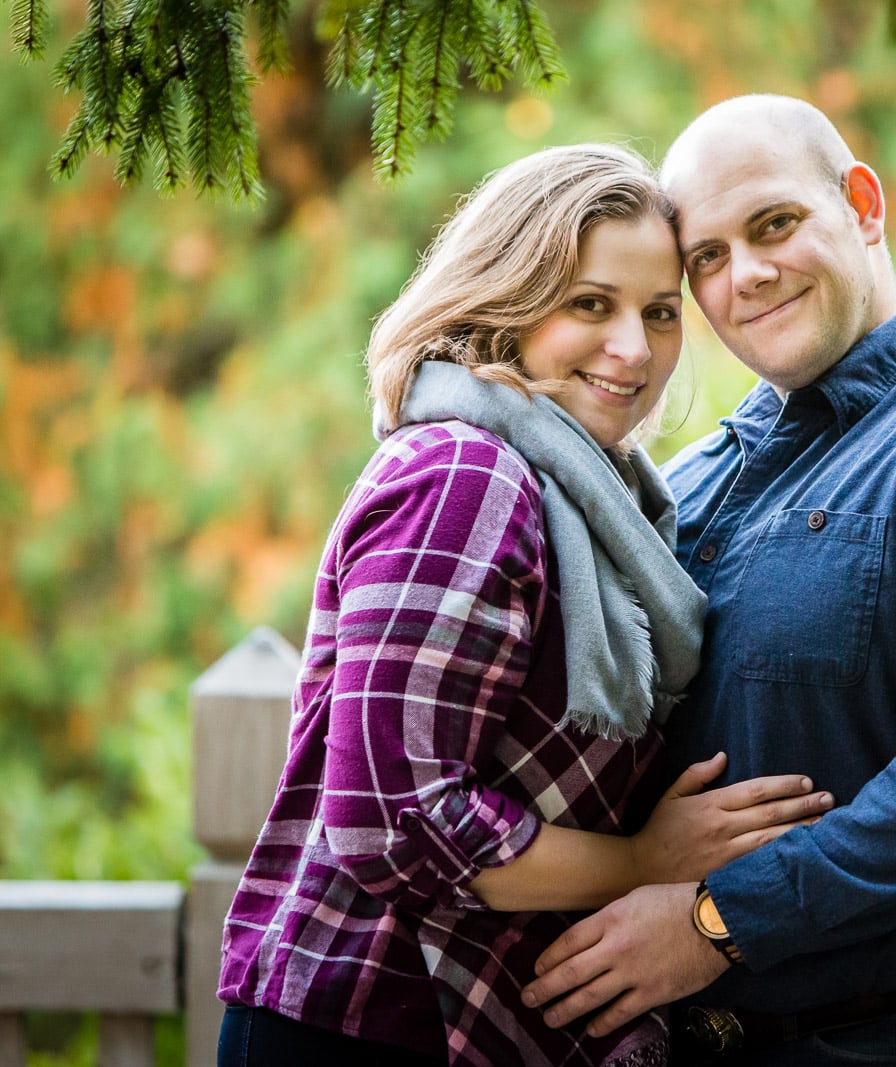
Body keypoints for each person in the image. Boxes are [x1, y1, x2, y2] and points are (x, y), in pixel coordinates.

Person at [523, 96, 896, 1066]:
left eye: (772, 225)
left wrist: (717, 920)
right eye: (707, 259)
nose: (746, 275)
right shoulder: (683, 486)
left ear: (861, 204)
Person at [216, 144, 831, 1067]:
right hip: (370, 1016)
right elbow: (391, 819)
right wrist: (642, 863)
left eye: (660, 314)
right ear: (504, 299)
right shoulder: (465, 472)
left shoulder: (596, 497)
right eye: (590, 303)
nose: (634, 348)